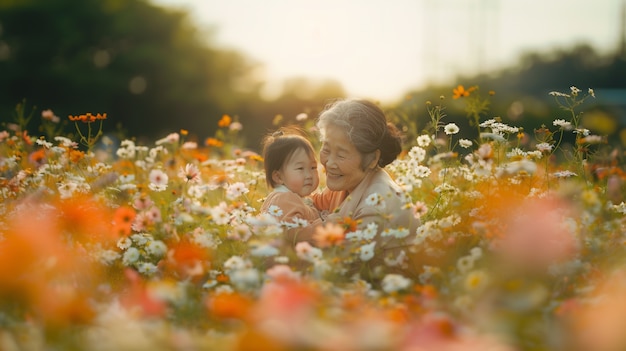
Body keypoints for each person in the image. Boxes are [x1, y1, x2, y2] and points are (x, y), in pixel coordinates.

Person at [293, 98, 419, 253]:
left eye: (341, 155)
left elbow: (336, 265)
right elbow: (313, 204)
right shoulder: (347, 182)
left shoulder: (376, 206)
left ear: (372, 159)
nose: (329, 163)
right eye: (326, 149)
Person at [259, 127, 321, 235]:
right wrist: (326, 223)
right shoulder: (284, 199)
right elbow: (295, 233)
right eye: (300, 168)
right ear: (278, 177)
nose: (309, 175)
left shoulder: (294, 197)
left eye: (313, 167)